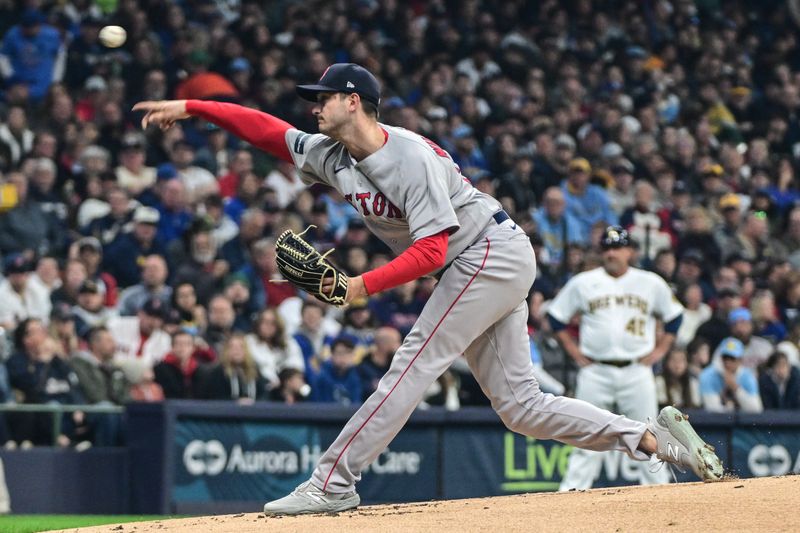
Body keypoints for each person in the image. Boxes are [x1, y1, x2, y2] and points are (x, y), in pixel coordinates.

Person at [133, 63, 722, 515]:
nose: (313, 108)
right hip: (481, 259)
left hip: (486, 251)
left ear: (353, 101)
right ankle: (653, 440)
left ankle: (332, 483)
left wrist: (359, 287)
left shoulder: (407, 155)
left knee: (413, 362)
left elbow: (432, 251)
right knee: (520, 407)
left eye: (323, 98)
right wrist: (193, 107)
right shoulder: (332, 155)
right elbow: (267, 132)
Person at [547, 226, 684, 490]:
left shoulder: (650, 282)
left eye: (618, 247)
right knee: (586, 434)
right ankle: (572, 491)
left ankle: (659, 491)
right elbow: (555, 317)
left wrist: (661, 351)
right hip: (596, 370)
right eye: (607, 248)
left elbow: (675, 318)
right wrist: (574, 352)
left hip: (636, 370)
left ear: (630, 251)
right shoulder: (584, 281)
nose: (612, 253)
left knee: (650, 433)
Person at [198, 333, 267, 402]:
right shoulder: (218, 372)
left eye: (241, 347)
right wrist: (237, 402)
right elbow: (216, 398)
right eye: (232, 347)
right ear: (226, 351)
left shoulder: (255, 371)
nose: (237, 350)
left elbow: (263, 394)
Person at [700, 337, 762, 413]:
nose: (728, 362)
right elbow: (712, 410)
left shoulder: (748, 376)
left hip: (743, 423)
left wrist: (735, 387)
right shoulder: (708, 375)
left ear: (740, 360)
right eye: (725, 358)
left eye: (732, 358)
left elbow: (756, 409)